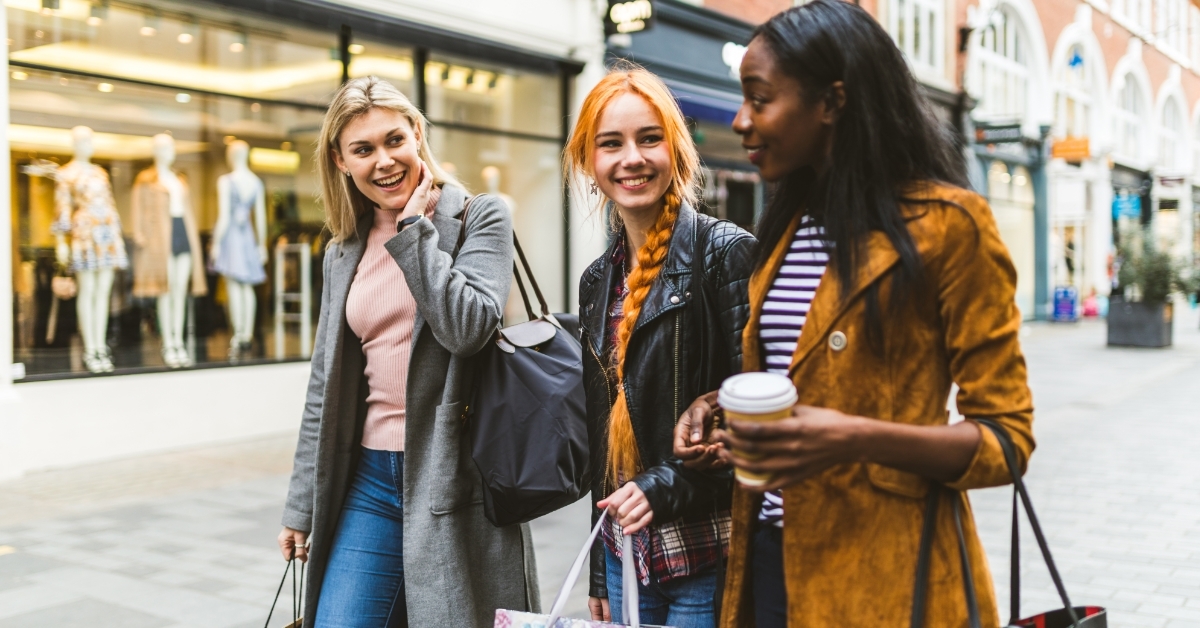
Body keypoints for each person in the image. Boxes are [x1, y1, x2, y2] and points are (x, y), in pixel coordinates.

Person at [674, 2, 1035, 626]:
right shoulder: (787, 226)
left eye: (760, 99)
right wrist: (720, 406)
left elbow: (1007, 440)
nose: (740, 121)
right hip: (767, 559)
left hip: (888, 573)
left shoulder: (951, 227)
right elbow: (807, 377)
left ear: (832, 103)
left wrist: (851, 436)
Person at [278, 76, 538, 627]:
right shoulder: (342, 249)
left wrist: (414, 230)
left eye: (395, 139)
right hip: (368, 480)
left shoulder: (479, 217)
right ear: (340, 160)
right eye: (363, 149)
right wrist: (302, 504)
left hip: (454, 475)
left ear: (418, 133)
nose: (384, 160)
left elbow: (467, 327)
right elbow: (324, 383)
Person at [567, 66, 756, 628]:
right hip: (628, 554)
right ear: (588, 161)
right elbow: (604, 433)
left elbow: (759, 412)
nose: (632, 158)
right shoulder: (598, 280)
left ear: (675, 148)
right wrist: (601, 565)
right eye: (611, 143)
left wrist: (667, 484)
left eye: (650, 138)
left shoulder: (725, 254)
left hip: (709, 549)